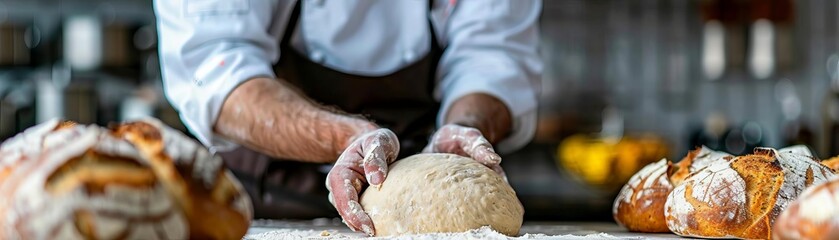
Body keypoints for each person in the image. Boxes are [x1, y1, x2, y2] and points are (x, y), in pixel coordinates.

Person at [154, 0, 542, 235]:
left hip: (422, 174)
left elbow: (493, 54)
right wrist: (346, 137)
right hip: (270, 204)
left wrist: (466, 125)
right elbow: (215, 67)